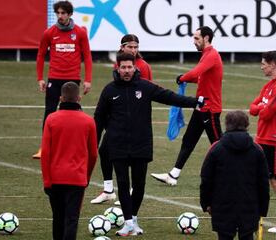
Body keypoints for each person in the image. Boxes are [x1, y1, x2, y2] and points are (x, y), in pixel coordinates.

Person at [94, 53, 203, 236]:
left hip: (141, 144)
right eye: (123, 68)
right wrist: (94, 144)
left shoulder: (144, 87)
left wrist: (194, 102)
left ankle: (133, 219)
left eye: (130, 67)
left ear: (135, 67)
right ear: (117, 68)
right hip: (118, 145)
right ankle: (128, 223)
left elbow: (169, 97)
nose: (127, 71)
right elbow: (98, 119)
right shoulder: (109, 91)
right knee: (122, 182)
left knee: (139, 184)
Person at [151, 26, 223, 186]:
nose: (194, 42)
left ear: (206, 38)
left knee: (220, 144)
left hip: (209, 108)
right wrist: (185, 79)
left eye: (197, 38)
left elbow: (196, 72)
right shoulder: (207, 55)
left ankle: (236, 175)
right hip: (201, 106)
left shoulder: (211, 55)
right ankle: (173, 175)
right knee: (189, 140)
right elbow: (201, 78)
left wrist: (183, 77)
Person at [91, 34, 152, 204]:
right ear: (122, 47)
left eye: (136, 47)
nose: (133, 50)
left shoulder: (143, 66)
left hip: (133, 123)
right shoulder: (120, 64)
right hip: (116, 120)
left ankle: (129, 190)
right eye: (130, 47)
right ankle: (109, 189)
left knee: (128, 157)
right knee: (104, 151)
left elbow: (146, 92)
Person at [33, 0, 93, 159]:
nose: (60, 16)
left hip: (73, 78)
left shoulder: (80, 32)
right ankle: (45, 147)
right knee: (50, 112)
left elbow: (87, 56)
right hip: (54, 77)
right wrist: (40, 78)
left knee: (74, 113)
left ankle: (77, 146)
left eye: (63, 13)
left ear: (70, 14)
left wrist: (88, 80)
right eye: (58, 13)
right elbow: (40, 56)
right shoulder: (49, 32)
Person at [40, 82, 98, 240]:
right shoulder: (88, 121)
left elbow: (45, 153)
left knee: (58, 218)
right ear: (79, 98)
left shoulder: (51, 119)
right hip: (77, 179)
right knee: (71, 220)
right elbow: (93, 154)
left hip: (55, 179)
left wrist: (46, 181)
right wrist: (86, 177)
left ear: (60, 98)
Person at [200, 110, 270, 240]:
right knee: (247, 236)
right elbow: (263, 182)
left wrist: (206, 203)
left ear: (226, 125)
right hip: (249, 206)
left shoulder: (216, 148)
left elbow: (206, 178)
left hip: (222, 206)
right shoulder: (257, 150)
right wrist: (262, 208)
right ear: (247, 125)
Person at [249, 51, 276, 233]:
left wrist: (261, 107)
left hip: (274, 141)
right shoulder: (269, 86)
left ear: (273, 65)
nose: (262, 67)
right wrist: (261, 107)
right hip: (261, 138)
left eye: (264, 64)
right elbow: (253, 109)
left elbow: (266, 114)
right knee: (257, 178)